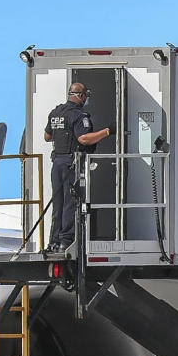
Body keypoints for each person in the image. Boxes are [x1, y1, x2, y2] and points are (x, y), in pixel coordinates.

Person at [43, 83, 113, 253]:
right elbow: (84, 139)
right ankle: (66, 241)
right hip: (71, 164)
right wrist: (108, 131)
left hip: (58, 163)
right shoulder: (78, 115)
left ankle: (54, 240)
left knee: (58, 203)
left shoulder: (56, 112)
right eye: (86, 96)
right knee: (70, 203)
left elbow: (47, 136)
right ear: (81, 96)